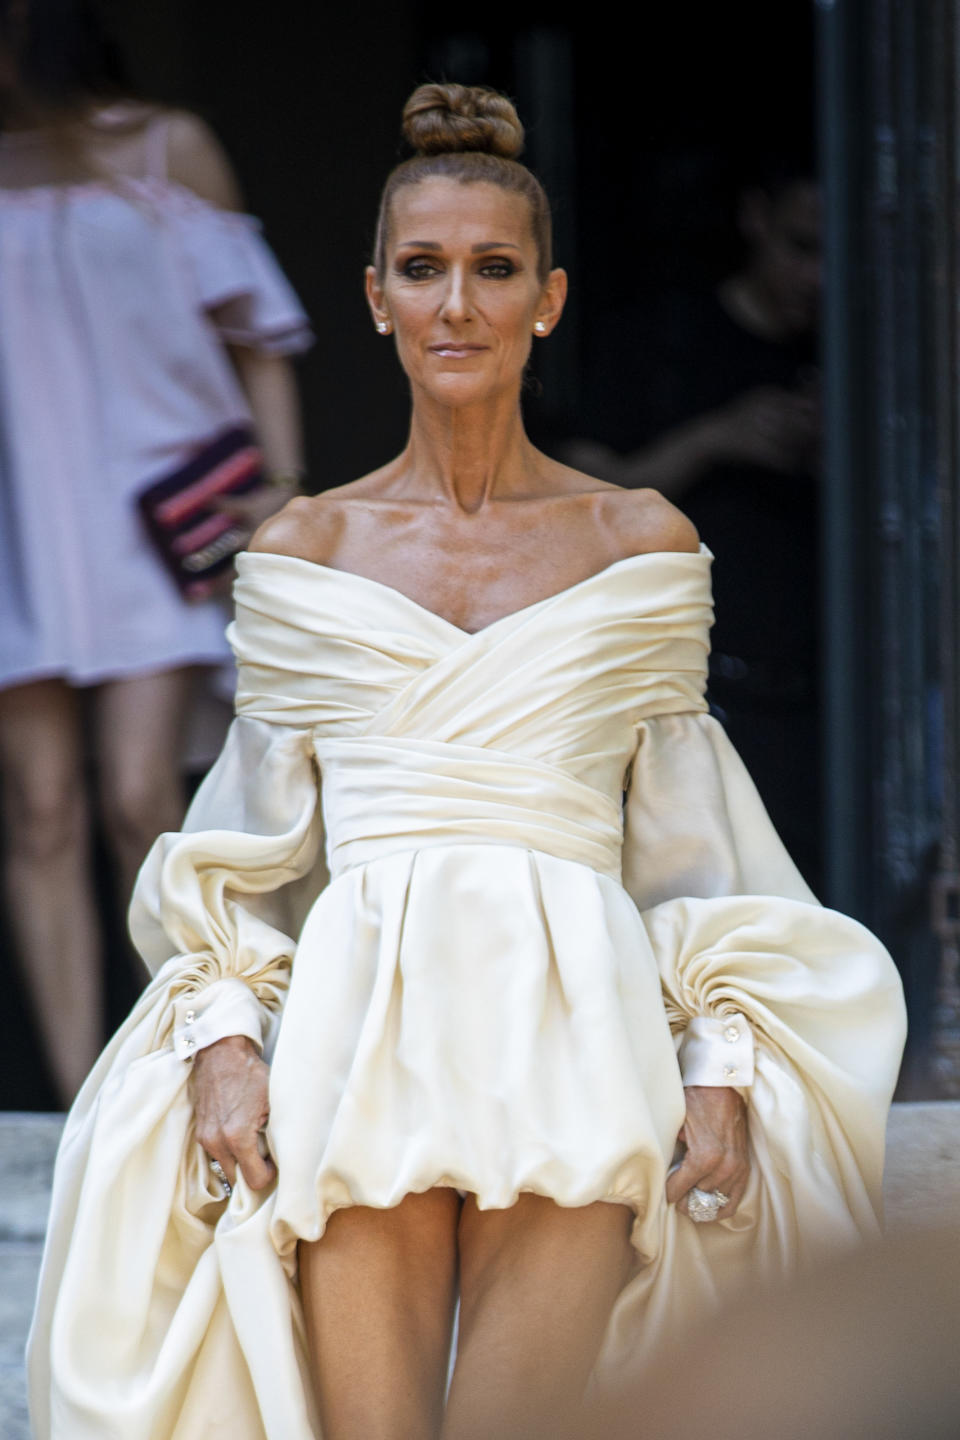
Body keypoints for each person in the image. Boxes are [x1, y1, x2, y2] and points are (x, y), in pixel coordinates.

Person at [28, 84, 906, 1440]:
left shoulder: (638, 542)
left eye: (493, 270)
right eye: (424, 270)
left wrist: (721, 1057)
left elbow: (690, 839)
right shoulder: (302, 550)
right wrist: (221, 1045)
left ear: (547, 299)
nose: (457, 306)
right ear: (374, 296)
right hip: (352, 1046)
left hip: (575, 1038)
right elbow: (250, 844)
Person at [0, 0, 311, 1105]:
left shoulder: (168, 144)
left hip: (149, 516)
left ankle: (192, 1066)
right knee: (37, 808)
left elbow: (258, 337)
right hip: (21, 528)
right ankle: (88, 1096)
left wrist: (279, 491)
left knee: (142, 798)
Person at [566, 158, 824, 889]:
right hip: (693, 702)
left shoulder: (876, 357)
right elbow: (580, 511)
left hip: (832, 703)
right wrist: (715, 439)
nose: (818, 279)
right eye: (801, 248)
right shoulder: (660, 343)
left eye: (837, 254)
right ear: (755, 219)